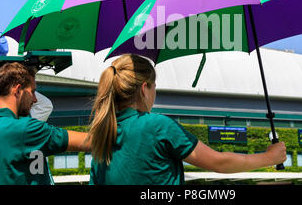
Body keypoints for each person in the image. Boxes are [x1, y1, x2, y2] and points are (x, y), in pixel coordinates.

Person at [88, 54, 286, 185]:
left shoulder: (101, 139)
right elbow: (219, 162)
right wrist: (270, 157)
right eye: (154, 86)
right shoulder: (157, 126)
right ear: (144, 89)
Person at [0, 62, 90, 185]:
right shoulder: (27, 129)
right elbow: (90, 142)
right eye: (32, 92)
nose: (34, 99)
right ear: (18, 90)